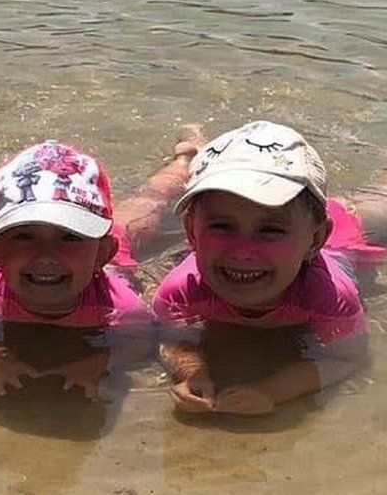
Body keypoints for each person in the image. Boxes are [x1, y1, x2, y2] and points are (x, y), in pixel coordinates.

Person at [155, 120, 385, 415]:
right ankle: (194, 149)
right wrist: (190, 372)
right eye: (222, 226)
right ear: (191, 232)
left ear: (315, 240)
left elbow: (347, 358)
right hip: (299, 227)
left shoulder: (329, 294)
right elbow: (170, 339)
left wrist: (273, 392)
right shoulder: (180, 291)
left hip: (345, 236)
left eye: (270, 230)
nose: (242, 251)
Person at [0, 134, 201, 400]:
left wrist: (94, 365)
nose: (46, 256)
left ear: (102, 253)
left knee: (149, 206)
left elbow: (138, 344)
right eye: (24, 235)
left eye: (70, 236)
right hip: (85, 247)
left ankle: (185, 159)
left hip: (115, 258)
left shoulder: (122, 310)